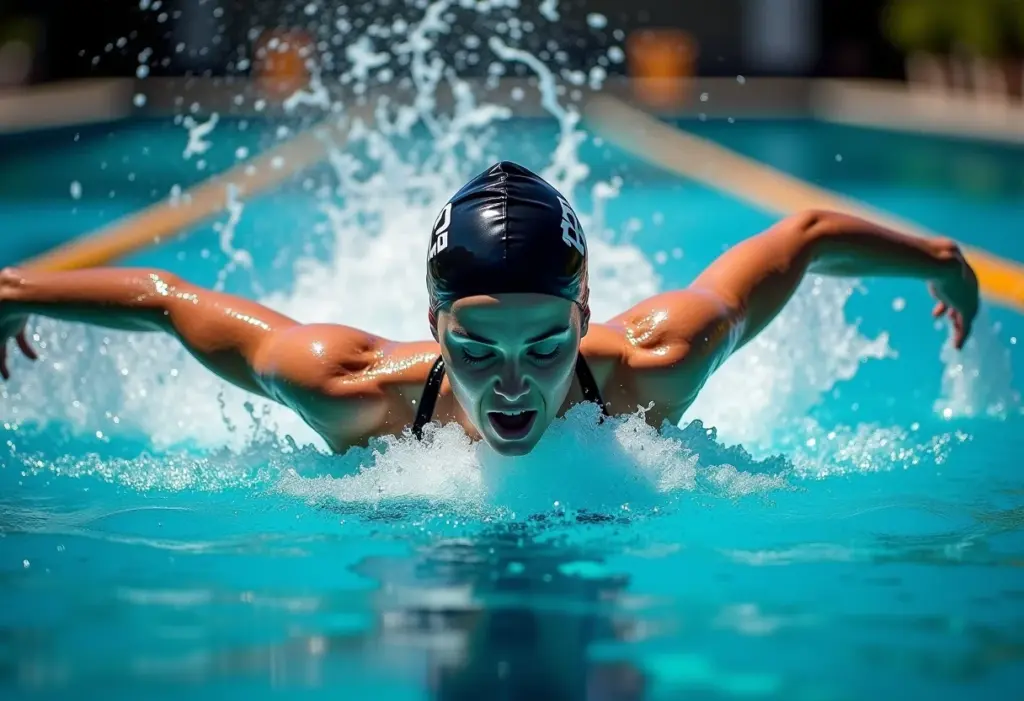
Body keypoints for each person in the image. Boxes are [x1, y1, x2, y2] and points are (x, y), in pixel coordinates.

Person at [0, 162, 979, 456]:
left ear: (586, 312)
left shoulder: (657, 363)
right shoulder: (346, 387)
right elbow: (171, 301)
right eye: (475, 344)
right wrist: (15, 293)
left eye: (546, 342)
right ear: (432, 327)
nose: (511, 379)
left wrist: (937, 257)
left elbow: (800, 233)